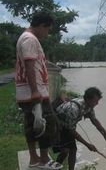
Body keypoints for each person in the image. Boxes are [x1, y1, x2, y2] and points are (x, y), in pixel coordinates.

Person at [15, 11, 62, 169]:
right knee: (48, 124)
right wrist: (35, 91)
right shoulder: (30, 39)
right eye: (47, 30)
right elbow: (29, 65)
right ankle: (43, 160)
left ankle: (34, 159)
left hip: (27, 92)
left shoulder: (26, 38)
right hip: (34, 93)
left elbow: (35, 62)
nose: (47, 34)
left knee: (31, 124)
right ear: (42, 26)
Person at [53, 87, 106, 170]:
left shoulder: (89, 106)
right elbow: (71, 131)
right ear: (88, 99)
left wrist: (105, 133)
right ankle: (55, 167)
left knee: (73, 150)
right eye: (95, 101)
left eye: (98, 101)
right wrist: (87, 145)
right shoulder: (73, 109)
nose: (97, 103)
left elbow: (94, 120)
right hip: (57, 126)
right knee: (65, 151)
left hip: (68, 126)